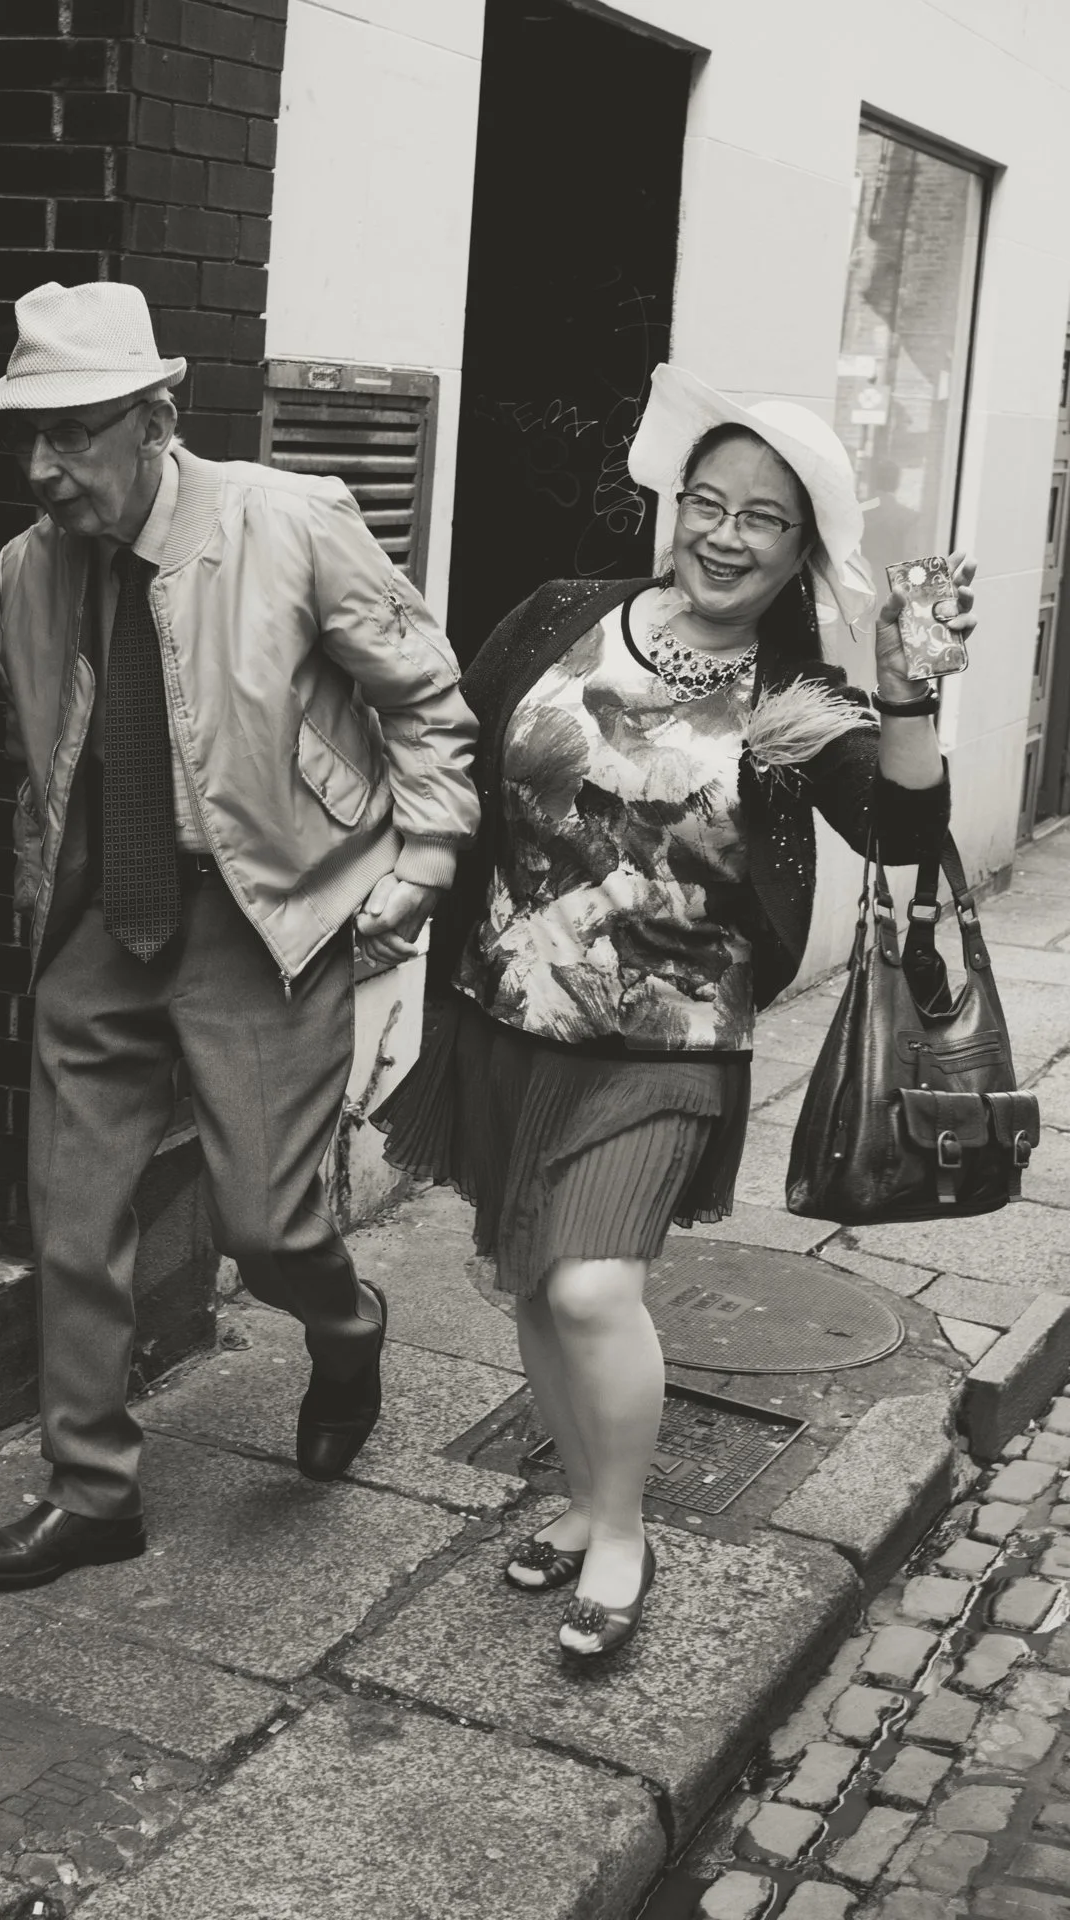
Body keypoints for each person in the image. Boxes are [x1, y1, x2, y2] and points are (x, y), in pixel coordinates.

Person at [374, 363, 975, 1667]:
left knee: (592, 1286)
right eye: (709, 499)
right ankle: (580, 1504)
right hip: (505, 1012)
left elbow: (906, 827)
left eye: (762, 516)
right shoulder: (560, 615)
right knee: (529, 1283)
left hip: (669, 1042)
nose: (724, 532)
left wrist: (914, 685)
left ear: (799, 545)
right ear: (677, 501)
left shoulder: (794, 692)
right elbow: (453, 758)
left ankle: (625, 1533)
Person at [0, 281, 479, 1590]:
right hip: (97, 928)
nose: (43, 467)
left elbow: (427, 703)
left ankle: (346, 1327)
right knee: (71, 1222)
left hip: (262, 917)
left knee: (268, 1225)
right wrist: (42, 906)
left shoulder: (289, 522)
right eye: (31, 435)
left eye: (70, 433)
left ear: (156, 420)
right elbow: (46, 762)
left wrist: (418, 863)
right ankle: (94, 1496)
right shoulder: (29, 567)